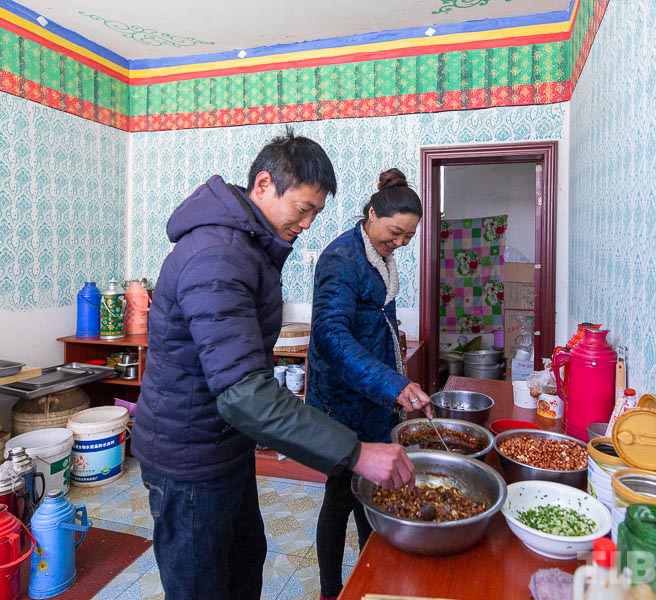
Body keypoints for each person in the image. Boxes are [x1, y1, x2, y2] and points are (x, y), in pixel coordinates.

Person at [131, 132, 415, 600]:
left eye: (315, 213)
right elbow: (245, 392)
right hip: (191, 456)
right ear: (264, 183)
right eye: (303, 209)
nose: (307, 223)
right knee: (204, 584)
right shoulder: (217, 255)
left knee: (244, 563)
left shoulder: (248, 248)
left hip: (225, 445)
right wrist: (356, 453)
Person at [306, 168, 431, 600]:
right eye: (395, 233)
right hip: (341, 401)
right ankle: (330, 590)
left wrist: (397, 382)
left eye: (408, 237)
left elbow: (378, 325)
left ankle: (370, 577)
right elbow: (331, 337)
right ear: (373, 213)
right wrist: (392, 384)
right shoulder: (341, 259)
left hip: (373, 397)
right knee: (342, 493)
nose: (400, 243)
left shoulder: (379, 255)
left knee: (372, 492)